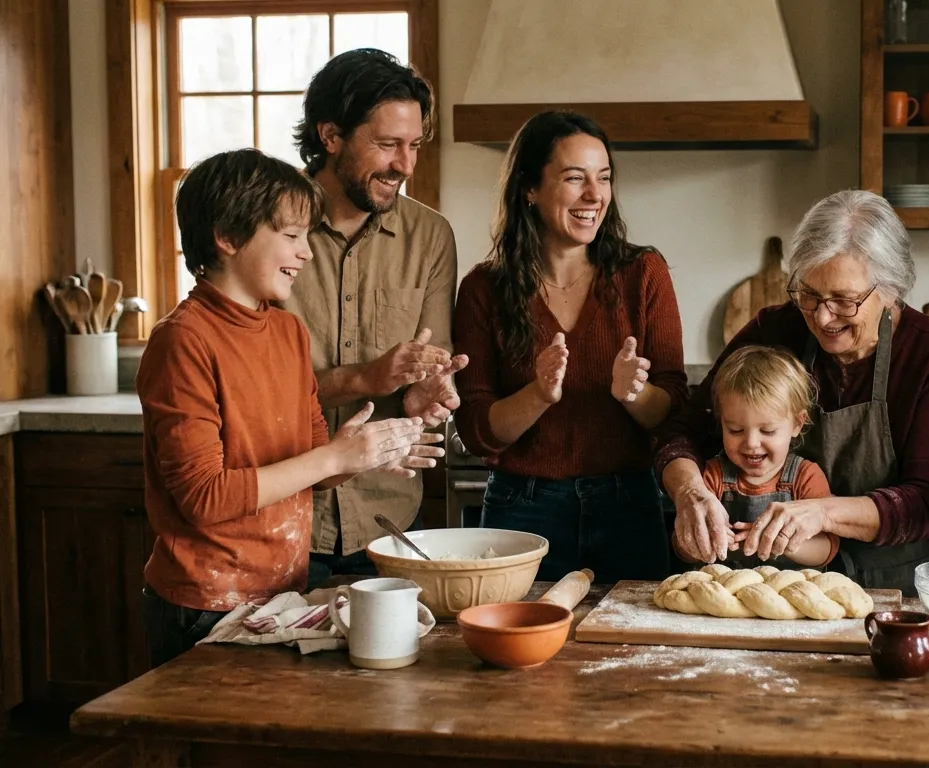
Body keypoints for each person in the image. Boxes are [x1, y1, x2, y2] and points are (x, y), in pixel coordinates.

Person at [138, 149, 441, 667]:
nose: (306, 252)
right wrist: (333, 459)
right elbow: (205, 499)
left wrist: (358, 456)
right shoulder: (183, 340)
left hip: (281, 590)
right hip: (203, 604)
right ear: (228, 238)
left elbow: (310, 467)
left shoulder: (286, 331)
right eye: (292, 235)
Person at [658, 190, 929, 594]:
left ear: (891, 289)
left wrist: (821, 513)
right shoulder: (775, 330)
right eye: (809, 295)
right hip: (785, 586)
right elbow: (683, 431)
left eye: (844, 300)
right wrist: (691, 494)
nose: (822, 318)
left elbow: (926, 502)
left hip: (901, 586)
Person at [453, 110, 688, 583]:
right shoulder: (484, 288)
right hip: (523, 509)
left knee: (630, 650)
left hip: (629, 505)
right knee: (517, 648)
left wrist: (634, 394)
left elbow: (675, 407)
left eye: (603, 178)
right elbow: (477, 428)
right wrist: (537, 394)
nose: (594, 195)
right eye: (574, 178)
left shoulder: (643, 274)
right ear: (530, 188)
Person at [282, 49, 467, 585]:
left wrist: (427, 394)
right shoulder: (268, 227)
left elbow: (430, 374)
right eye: (387, 145)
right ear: (331, 136)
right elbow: (251, 397)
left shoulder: (430, 237)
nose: (405, 166)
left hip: (387, 524)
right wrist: (363, 378)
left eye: (413, 146)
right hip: (281, 520)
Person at [687, 345, 838, 570]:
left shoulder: (806, 477)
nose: (751, 443)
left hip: (789, 600)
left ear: (797, 423)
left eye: (767, 431)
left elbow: (827, 549)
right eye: (735, 430)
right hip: (723, 598)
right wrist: (702, 541)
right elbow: (683, 546)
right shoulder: (712, 476)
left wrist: (786, 543)